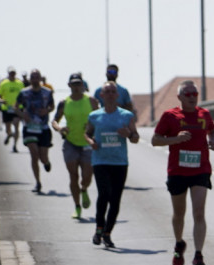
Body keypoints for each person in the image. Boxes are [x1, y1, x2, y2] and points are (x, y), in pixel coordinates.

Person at [151, 80, 214, 265]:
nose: (192, 97)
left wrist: (213, 141)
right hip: (178, 171)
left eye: (195, 94)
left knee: (199, 212)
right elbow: (155, 140)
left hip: (201, 169)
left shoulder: (204, 114)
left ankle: (198, 255)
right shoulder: (170, 116)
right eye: (187, 94)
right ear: (179, 97)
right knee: (179, 214)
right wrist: (176, 139)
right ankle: (179, 243)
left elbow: (213, 130)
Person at [85, 81, 139, 249]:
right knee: (104, 194)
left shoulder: (125, 115)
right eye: (106, 92)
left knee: (115, 199)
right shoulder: (94, 116)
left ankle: (108, 233)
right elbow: (87, 133)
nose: (109, 94)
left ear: (117, 95)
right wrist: (91, 142)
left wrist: (128, 134)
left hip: (119, 162)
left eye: (112, 92)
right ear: (101, 96)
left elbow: (136, 138)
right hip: (100, 160)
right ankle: (99, 228)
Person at [51, 72, 99, 219]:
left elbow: (100, 117)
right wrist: (60, 129)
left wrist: (95, 132)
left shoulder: (91, 100)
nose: (77, 87)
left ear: (83, 85)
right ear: (69, 85)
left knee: (87, 176)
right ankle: (77, 207)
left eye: (79, 84)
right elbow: (54, 121)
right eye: (74, 84)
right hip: (70, 142)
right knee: (73, 176)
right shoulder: (64, 102)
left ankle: (84, 189)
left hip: (87, 142)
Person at [15, 69, 56, 193]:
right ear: (30, 79)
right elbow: (16, 107)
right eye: (32, 77)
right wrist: (23, 115)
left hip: (43, 128)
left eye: (37, 77)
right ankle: (38, 182)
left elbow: (52, 106)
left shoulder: (47, 92)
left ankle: (46, 162)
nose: (35, 79)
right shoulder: (24, 92)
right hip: (30, 128)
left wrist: (47, 111)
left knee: (42, 157)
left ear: (40, 78)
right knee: (34, 154)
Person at [0, 67, 24, 152]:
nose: (12, 74)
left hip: (17, 108)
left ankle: (15, 145)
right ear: (8, 73)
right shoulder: (4, 83)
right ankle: (9, 134)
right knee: (8, 128)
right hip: (7, 108)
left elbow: (24, 94)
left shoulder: (20, 83)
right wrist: (0, 100)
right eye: (11, 73)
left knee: (16, 125)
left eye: (14, 73)